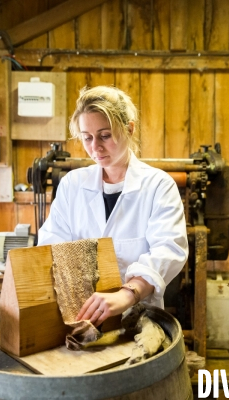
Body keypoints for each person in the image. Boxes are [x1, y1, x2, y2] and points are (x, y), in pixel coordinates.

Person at [38, 85, 188, 328]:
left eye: (105, 135)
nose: (95, 147)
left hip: (138, 314)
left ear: (129, 129)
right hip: (78, 314)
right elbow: (51, 246)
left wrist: (127, 294)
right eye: (87, 137)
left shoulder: (158, 185)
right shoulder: (72, 185)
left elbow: (168, 250)